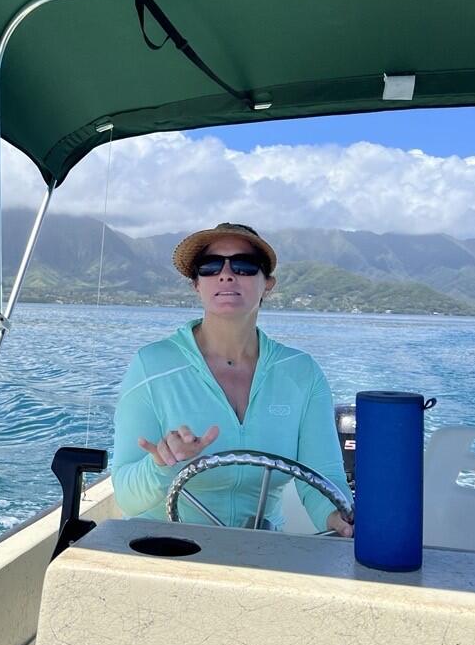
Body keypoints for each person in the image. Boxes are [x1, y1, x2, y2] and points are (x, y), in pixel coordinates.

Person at [110, 222, 354, 536]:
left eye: (244, 265)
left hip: (263, 552)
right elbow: (127, 498)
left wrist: (336, 516)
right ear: (195, 284)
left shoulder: (302, 373)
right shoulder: (152, 365)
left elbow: (324, 475)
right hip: (167, 552)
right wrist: (160, 466)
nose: (226, 274)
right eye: (210, 266)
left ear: (268, 284)